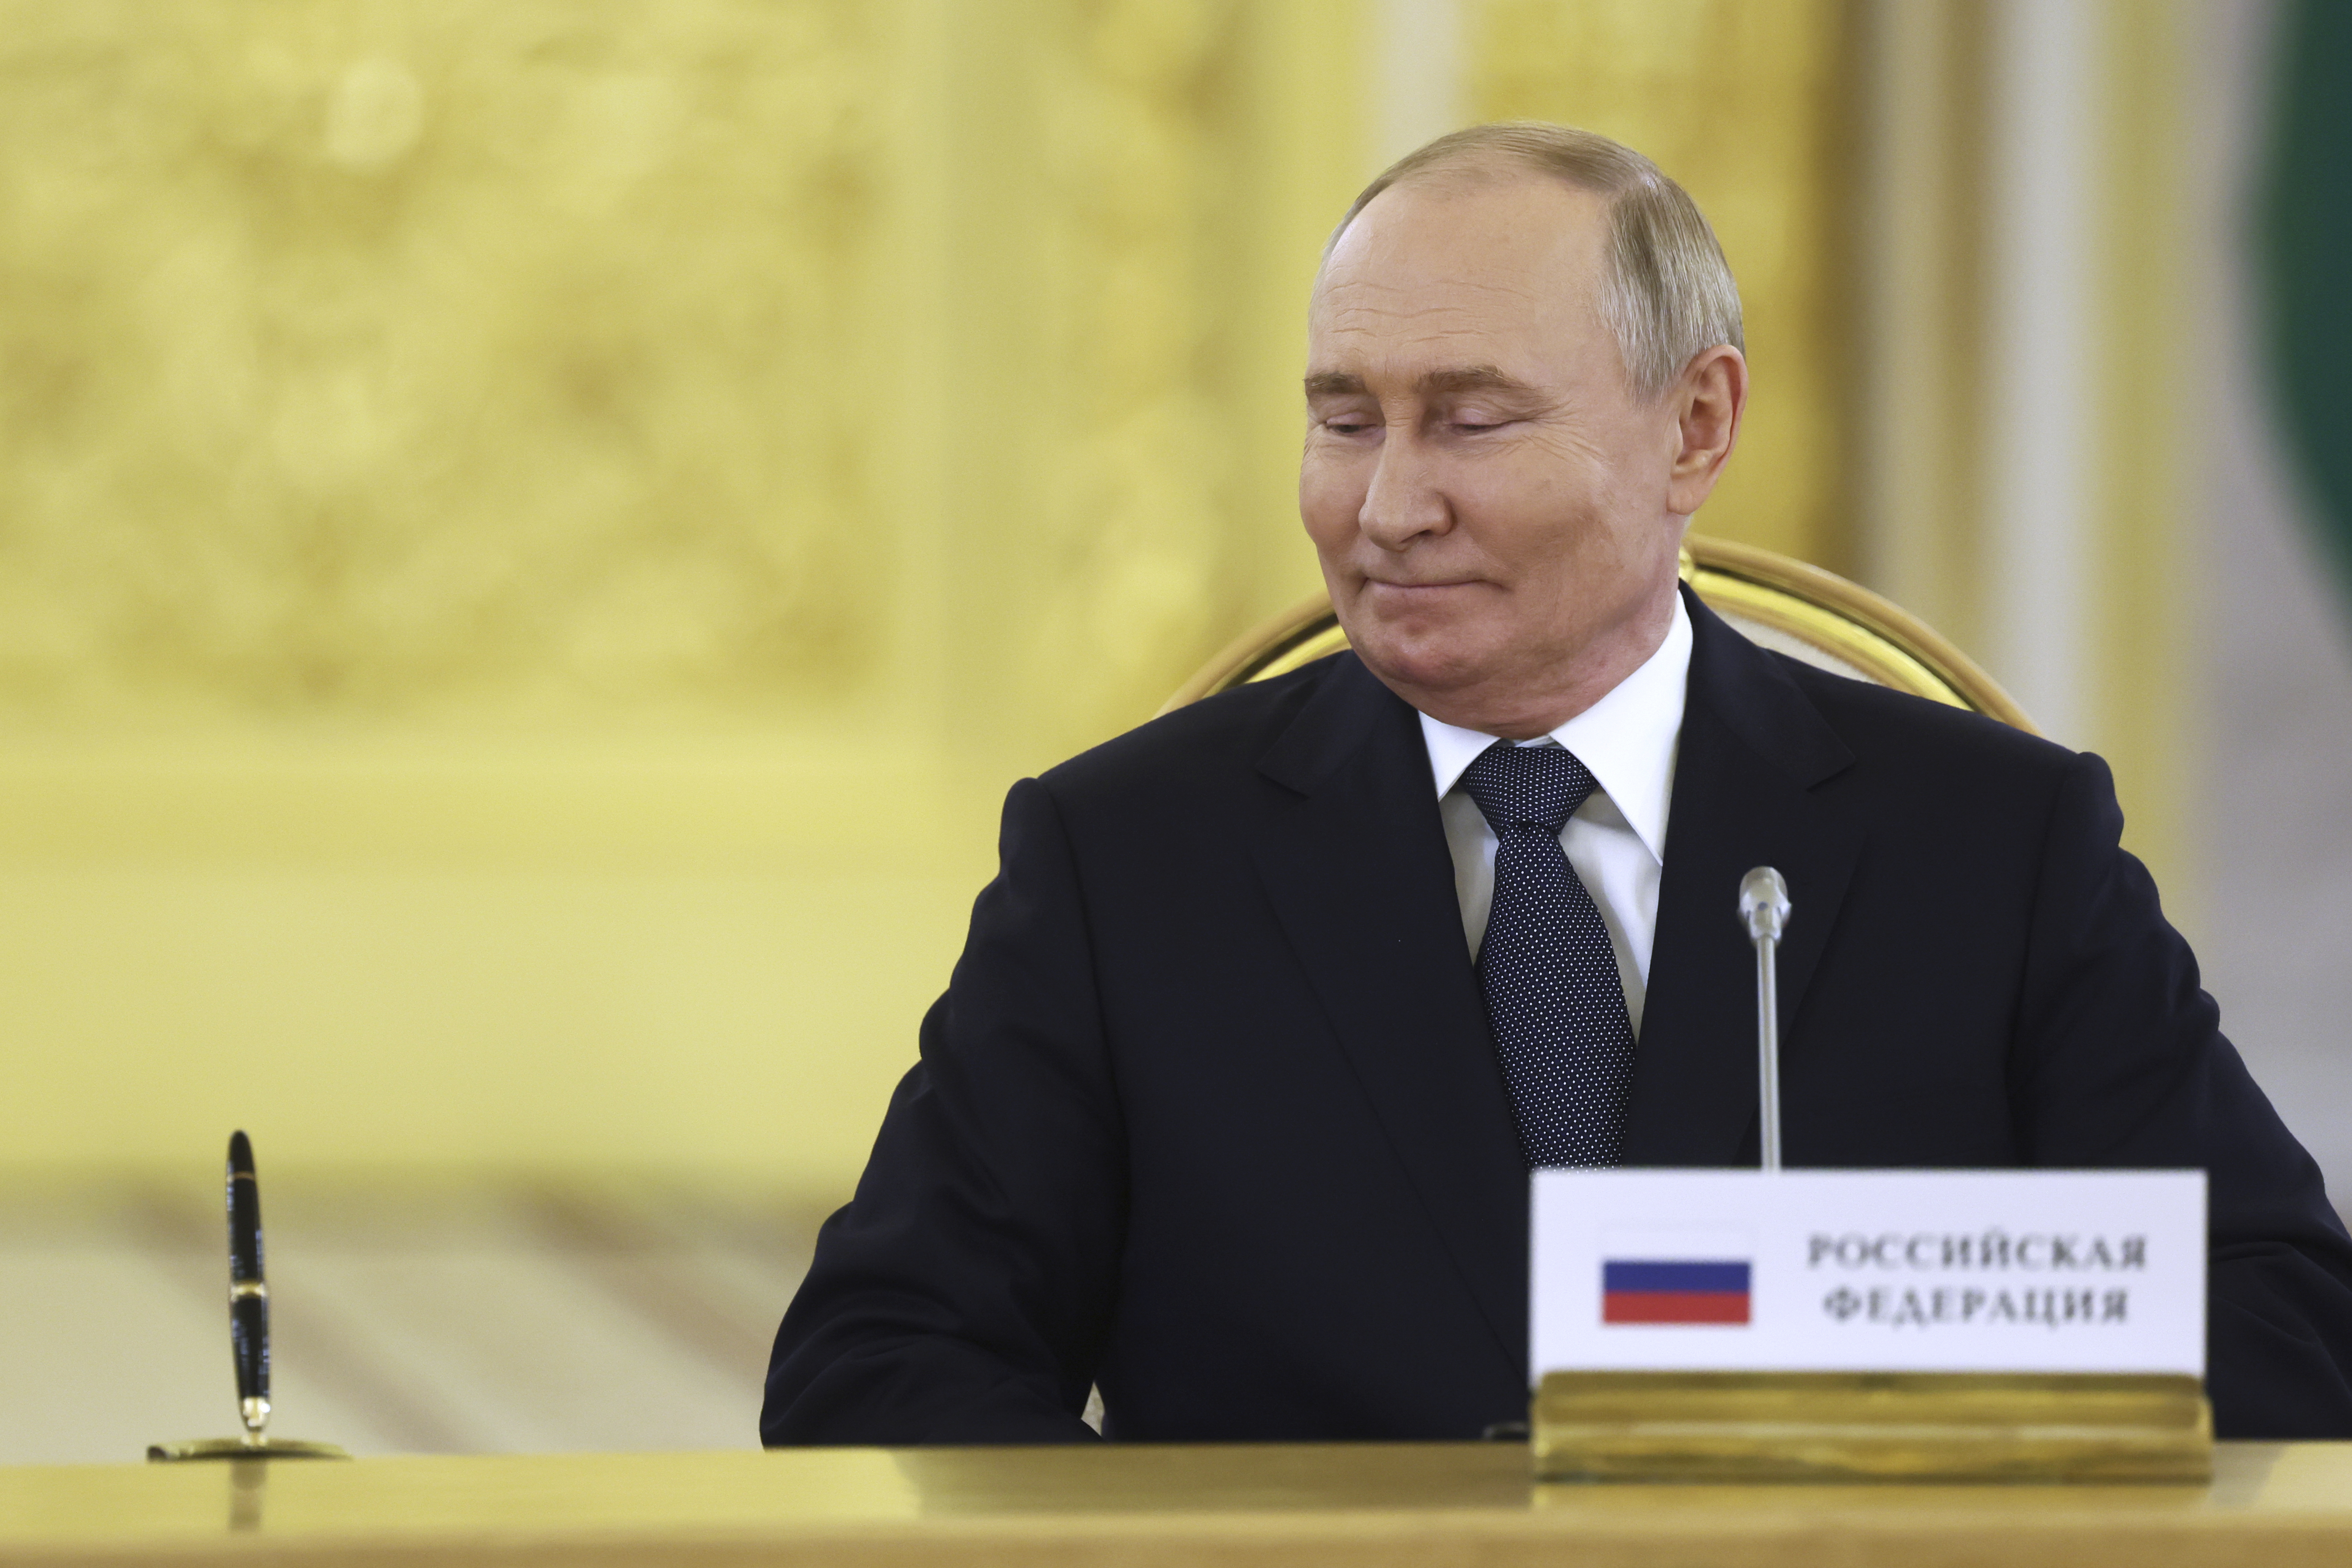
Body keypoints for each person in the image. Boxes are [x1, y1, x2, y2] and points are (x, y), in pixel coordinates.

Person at [761, 122, 2352, 1444]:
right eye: (1340, 420)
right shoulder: (1125, 860)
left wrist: (1904, 1404)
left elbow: (2283, 1320)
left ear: (1695, 424)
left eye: (1467, 420)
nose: (1384, 507)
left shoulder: (1990, 844)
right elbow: (881, 1367)